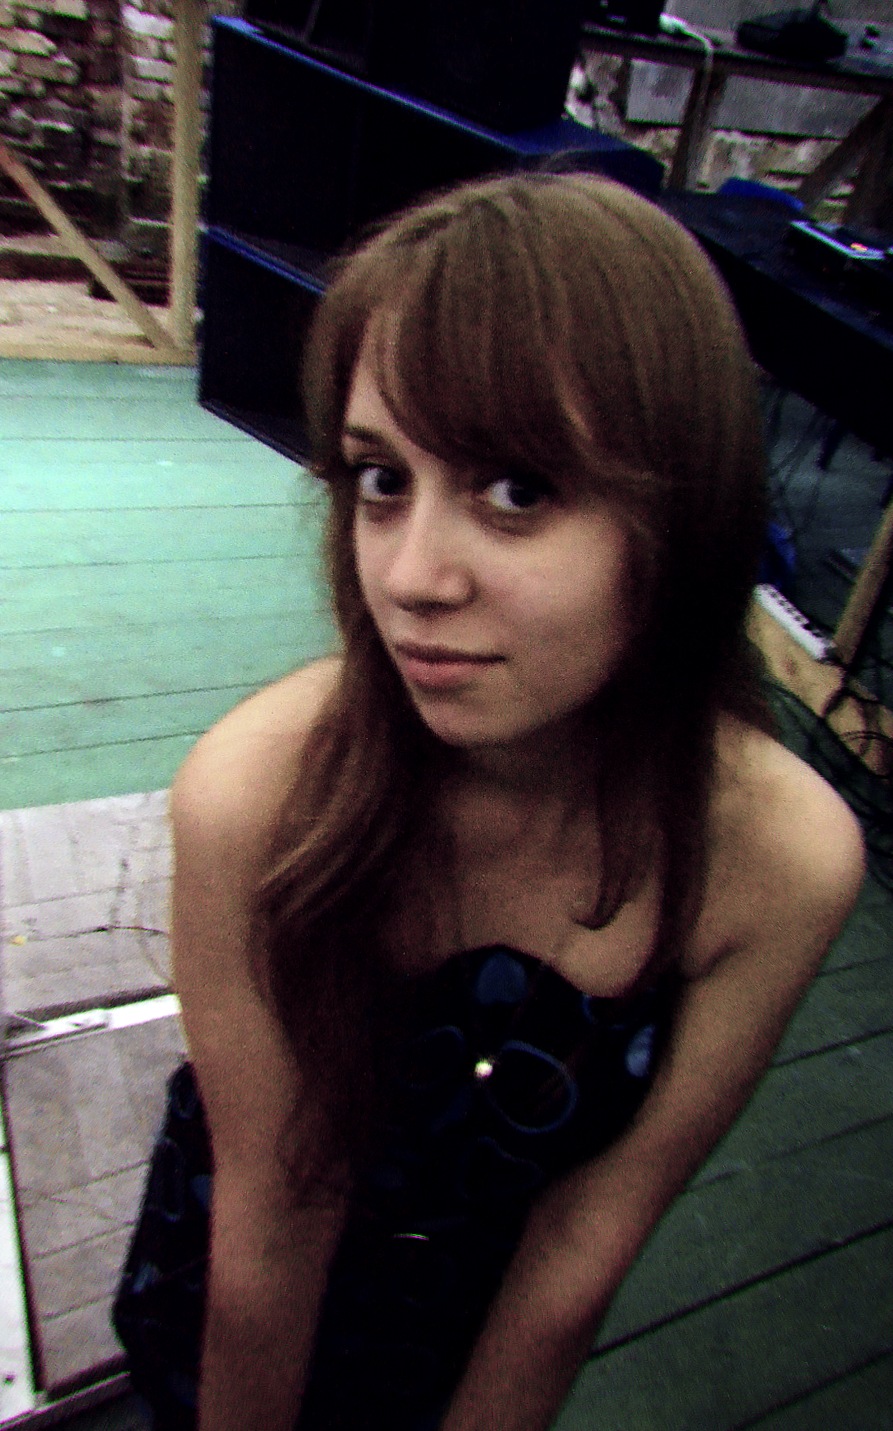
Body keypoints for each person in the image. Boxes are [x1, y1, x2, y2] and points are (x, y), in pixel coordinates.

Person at [164, 173, 864, 1431]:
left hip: (465, 1331)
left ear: (683, 510)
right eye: (381, 478)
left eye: (516, 492)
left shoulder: (777, 860)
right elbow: (269, 1221)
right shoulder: (255, 797)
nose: (411, 577)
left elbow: (579, 1254)